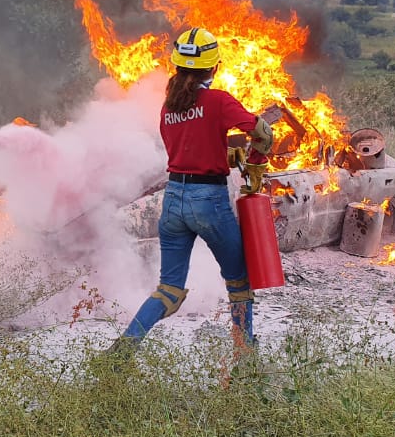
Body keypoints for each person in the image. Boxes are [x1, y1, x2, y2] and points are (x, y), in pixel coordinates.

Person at [107, 27, 273, 357]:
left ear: (178, 67)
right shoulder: (218, 100)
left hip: (173, 202)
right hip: (207, 202)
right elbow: (262, 133)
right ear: (214, 67)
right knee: (239, 283)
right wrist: (254, 165)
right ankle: (245, 358)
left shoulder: (169, 107)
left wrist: (223, 153)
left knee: (168, 290)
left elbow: (187, 147)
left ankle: (121, 352)